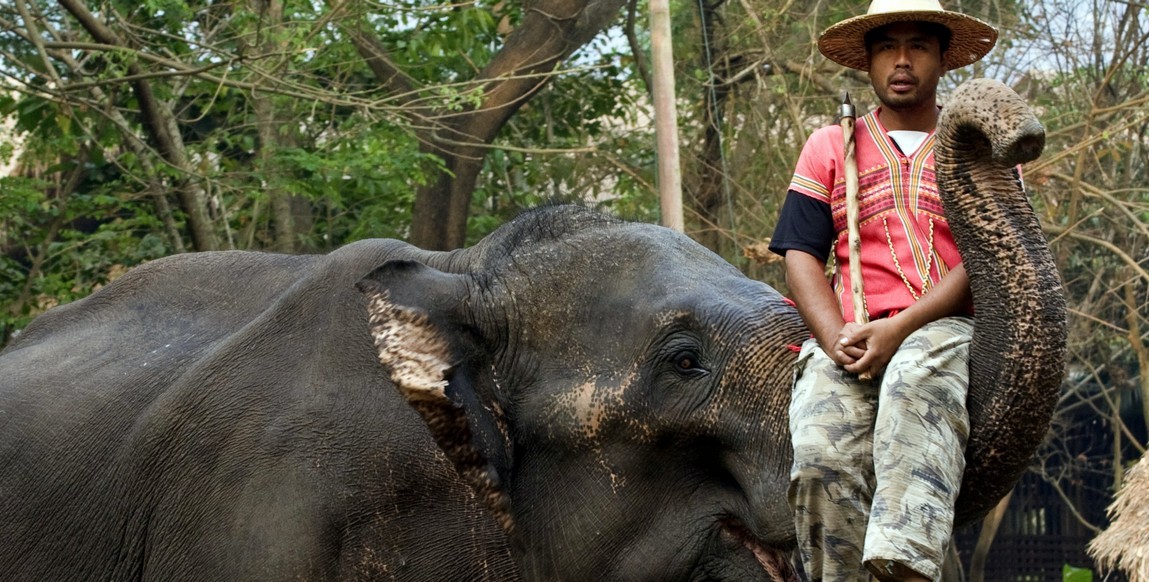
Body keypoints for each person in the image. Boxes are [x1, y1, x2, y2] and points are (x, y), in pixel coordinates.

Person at [767, 0, 1000, 580]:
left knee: (916, 371)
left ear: (943, 58)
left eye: (919, 46)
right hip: (851, 334)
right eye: (886, 48)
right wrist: (836, 338)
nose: (902, 61)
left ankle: (906, 567)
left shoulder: (975, 149)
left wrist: (899, 330)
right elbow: (800, 255)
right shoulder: (829, 145)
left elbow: (995, 253)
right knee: (820, 453)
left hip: (947, 331)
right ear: (867, 62)